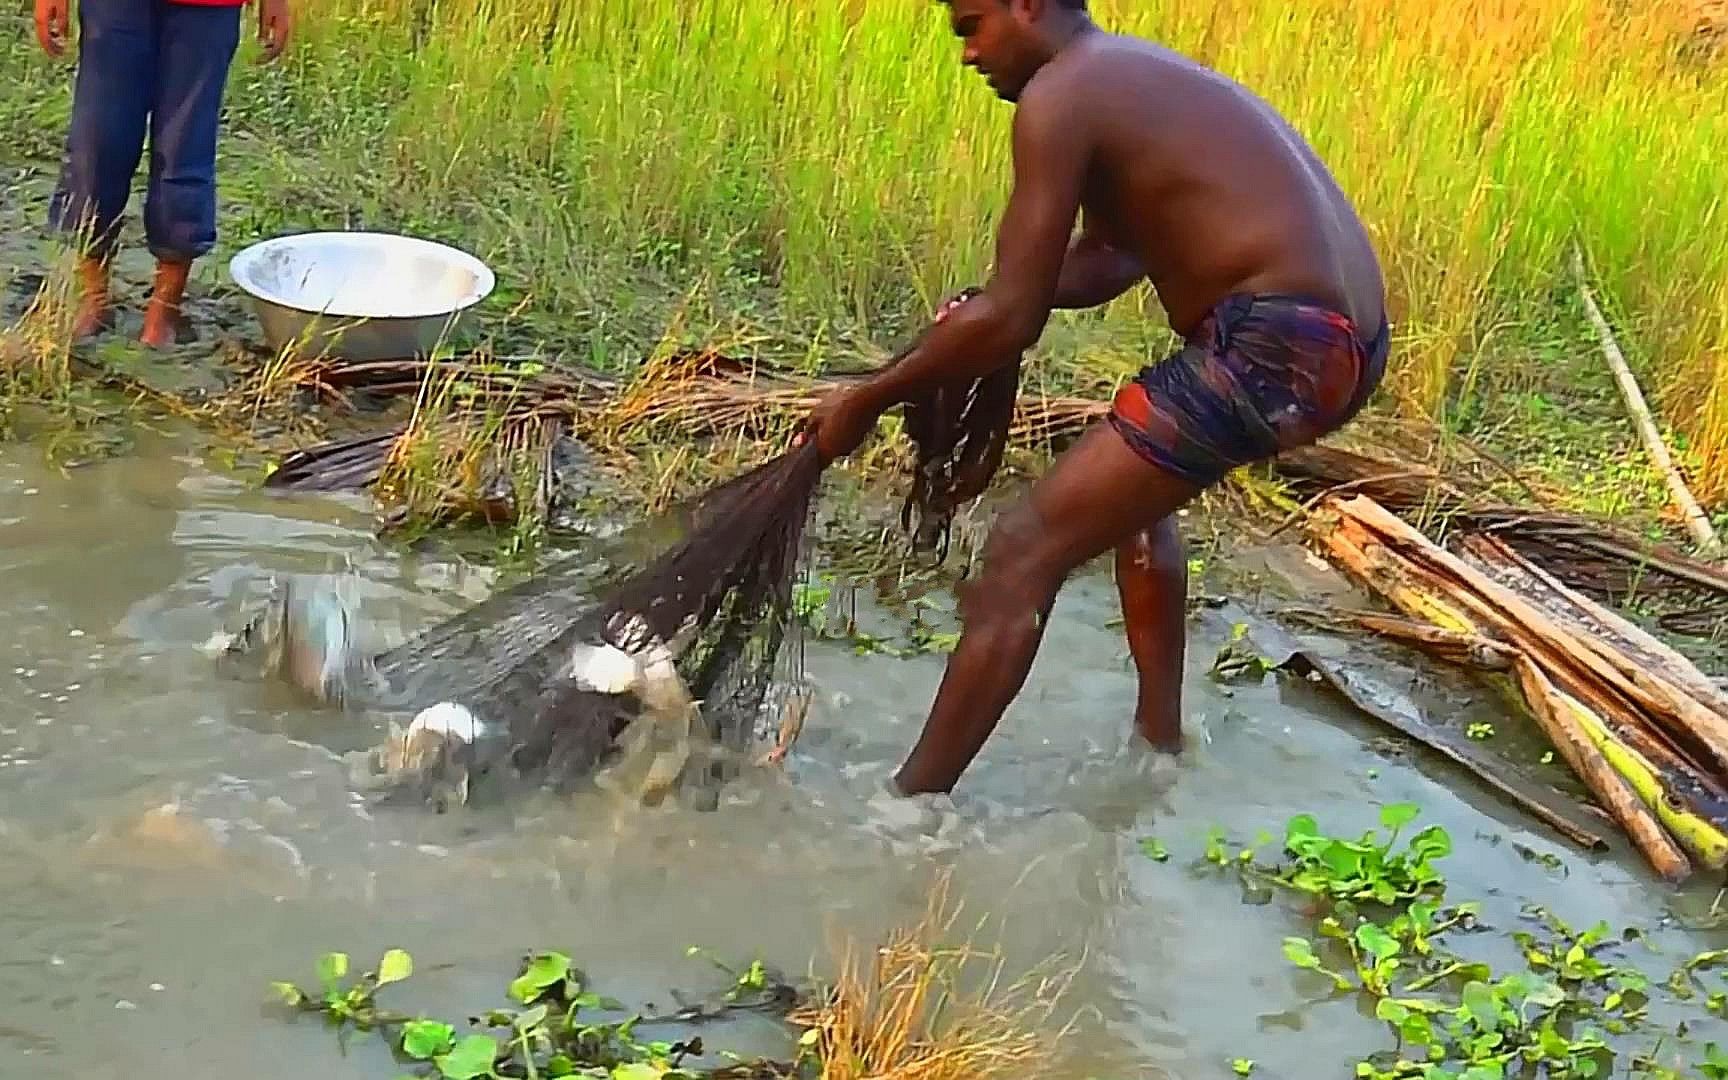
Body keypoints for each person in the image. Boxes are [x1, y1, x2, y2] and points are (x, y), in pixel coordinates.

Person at [800, 0, 1391, 797]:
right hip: (1338, 345)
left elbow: (1011, 319)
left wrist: (868, 398)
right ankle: (1159, 749)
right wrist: (981, 306)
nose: (968, 54)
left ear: (1028, 6)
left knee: (1020, 551)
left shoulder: (1061, 93)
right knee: (1135, 498)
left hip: (1273, 346)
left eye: (972, 25)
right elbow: (1114, 258)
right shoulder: (1128, 75)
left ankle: (906, 810)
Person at [33, 0, 292, 348]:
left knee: (185, 147)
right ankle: (93, 299)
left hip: (207, 9)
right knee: (97, 146)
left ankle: (164, 310)